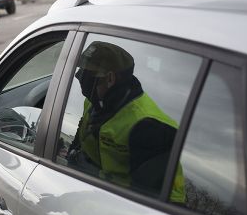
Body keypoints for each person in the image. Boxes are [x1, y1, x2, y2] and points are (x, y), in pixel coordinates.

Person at [67, 41, 185, 202]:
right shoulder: (94, 101)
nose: (79, 77)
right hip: (107, 193)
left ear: (109, 78)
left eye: (86, 74)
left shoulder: (149, 126)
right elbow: (81, 139)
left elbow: (144, 201)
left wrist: (74, 201)